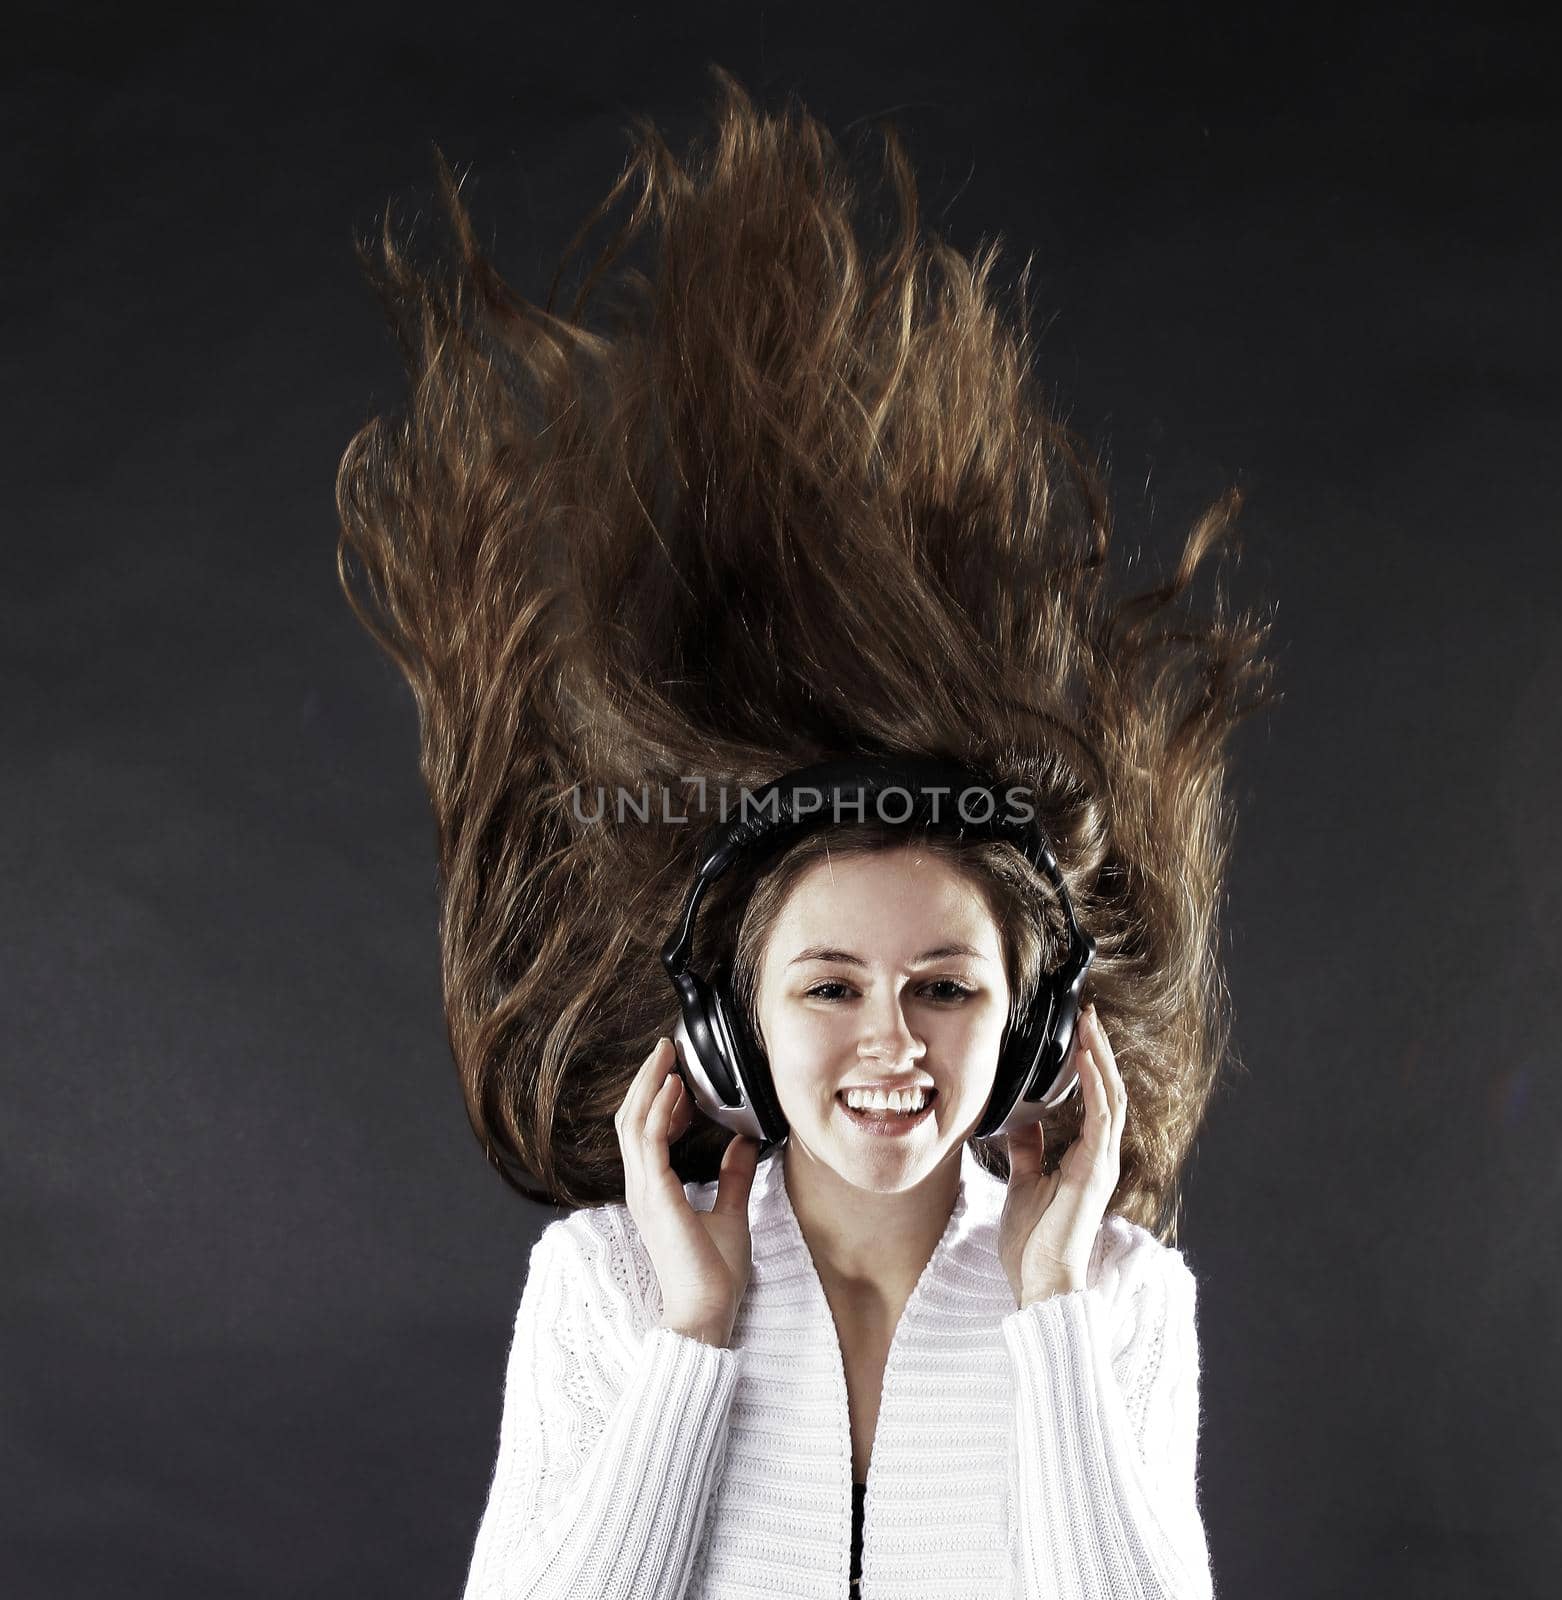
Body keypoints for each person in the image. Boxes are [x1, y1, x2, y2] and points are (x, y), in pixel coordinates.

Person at [333, 63, 1277, 1600]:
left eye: (948, 985)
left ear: (1037, 1023)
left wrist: (1045, 1311)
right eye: (829, 984)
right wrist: (692, 1339)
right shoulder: (602, 1289)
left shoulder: (1120, 1298)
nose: (888, 1039)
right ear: (727, 1024)